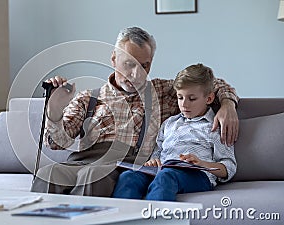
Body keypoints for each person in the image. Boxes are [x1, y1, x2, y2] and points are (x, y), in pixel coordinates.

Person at [31, 26, 239, 197]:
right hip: (83, 160)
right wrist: (55, 111)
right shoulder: (88, 97)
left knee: (93, 175)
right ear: (113, 59)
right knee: (48, 173)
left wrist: (227, 104)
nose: (136, 74)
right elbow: (57, 143)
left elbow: (210, 84)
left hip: (123, 164)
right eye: (129, 64)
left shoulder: (162, 92)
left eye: (144, 66)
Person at [112, 63, 237, 201]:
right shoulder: (169, 123)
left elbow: (229, 166)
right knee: (128, 176)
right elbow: (157, 152)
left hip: (198, 174)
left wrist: (203, 164)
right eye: (180, 97)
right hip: (163, 170)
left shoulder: (215, 126)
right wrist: (153, 161)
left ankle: (157, 221)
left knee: (166, 176)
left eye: (192, 98)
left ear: (209, 98)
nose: (184, 104)